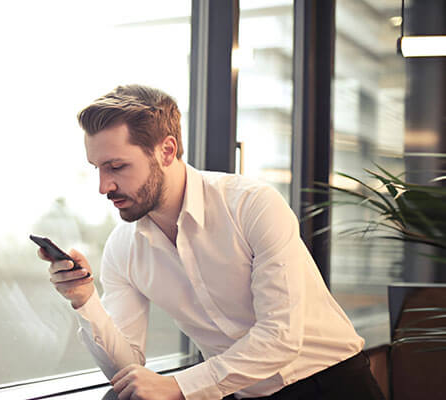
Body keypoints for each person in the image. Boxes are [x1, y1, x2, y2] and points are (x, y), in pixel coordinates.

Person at [37, 84, 385, 400]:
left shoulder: (251, 204)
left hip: (332, 384)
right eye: (97, 167)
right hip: (239, 393)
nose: (103, 186)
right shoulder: (122, 248)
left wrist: (179, 385)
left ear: (167, 150)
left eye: (116, 166)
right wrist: (84, 301)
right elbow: (127, 371)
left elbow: (280, 337)